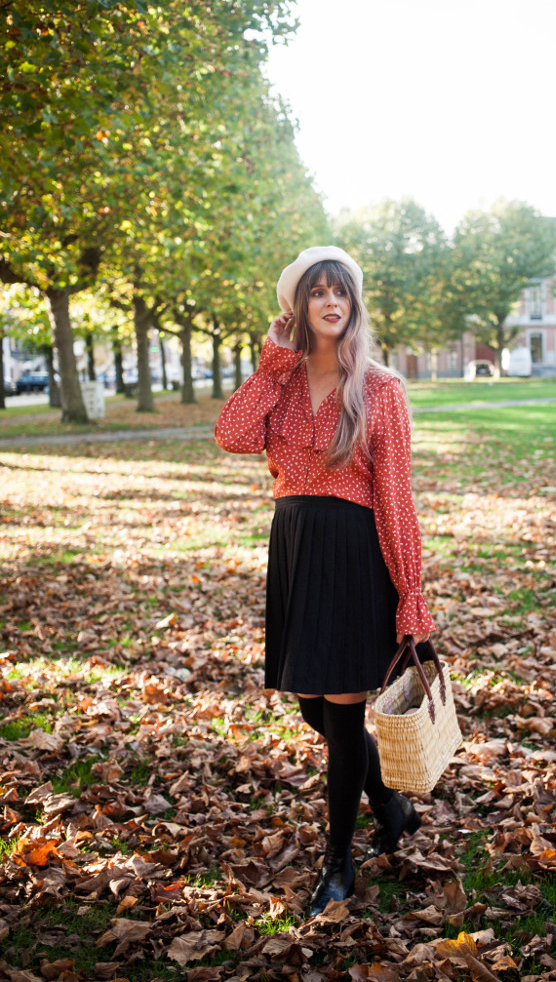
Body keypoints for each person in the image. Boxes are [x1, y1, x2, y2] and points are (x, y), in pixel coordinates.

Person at [214, 245, 434, 918]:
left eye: (341, 292)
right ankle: (390, 804)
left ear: (353, 304)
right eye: (318, 292)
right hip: (295, 549)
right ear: (299, 306)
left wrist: (412, 596)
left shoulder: (381, 389)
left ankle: (338, 865)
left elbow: (395, 496)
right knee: (311, 702)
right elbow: (231, 433)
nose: (331, 302)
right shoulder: (276, 382)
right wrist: (272, 362)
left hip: (352, 553)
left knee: (341, 713)